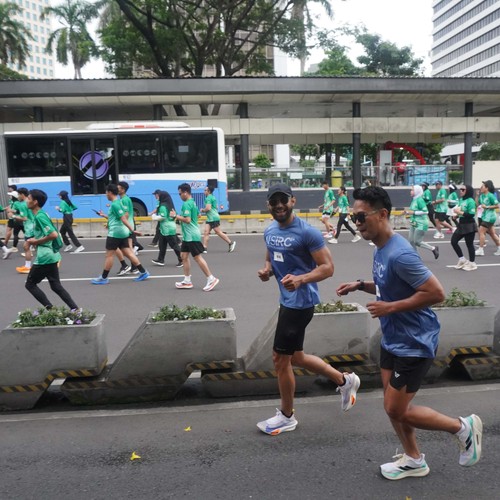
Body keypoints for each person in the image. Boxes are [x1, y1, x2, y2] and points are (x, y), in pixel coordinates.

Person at [335, 185, 482, 480]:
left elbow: (436, 293)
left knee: (396, 408)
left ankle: (462, 427)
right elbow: (390, 285)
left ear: (382, 214)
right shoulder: (381, 249)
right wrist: (361, 285)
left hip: (414, 341)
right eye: (354, 217)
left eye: (361, 217)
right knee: (392, 407)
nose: (357, 223)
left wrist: (390, 308)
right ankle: (414, 459)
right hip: (393, 338)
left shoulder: (401, 253)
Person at [256, 183, 360, 435]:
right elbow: (271, 256)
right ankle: (344, 380)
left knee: (280, 359)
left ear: (292, 201)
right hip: (286, 301)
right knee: (297, 358)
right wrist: (267, 270)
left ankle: (287, 416)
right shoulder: (270, 230)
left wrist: (301, 279)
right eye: (274, 202)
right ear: (268, 205)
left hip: (301, 303)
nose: (279, 205)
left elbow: (328, 267)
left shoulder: (307, 232)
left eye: (283, 200)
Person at [24, 189, 79, 311]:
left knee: (30, 284)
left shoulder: (40, 216)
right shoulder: (42, 214)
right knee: (55, 286)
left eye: (29, 198)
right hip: (52, 255)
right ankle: (76, 310)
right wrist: (34, 240)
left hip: (45, 256)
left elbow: (53, 234)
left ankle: (52, 311)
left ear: (35, 202)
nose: (26, 201)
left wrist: (35, 242)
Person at [91, 184, 150, 284]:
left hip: (115, 233)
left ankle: (104, 278)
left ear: (110, 192)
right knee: (128, 253)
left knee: (109, 255)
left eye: (106, 192)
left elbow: (123, 218)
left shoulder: (115, 204)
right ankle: (143, 272)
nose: (106, 195)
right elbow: (117, 217)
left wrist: (132, 230)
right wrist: (105, 217)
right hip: (122, 233)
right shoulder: (118, 202)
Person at [172, 183, 219, 291]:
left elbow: (187, 220)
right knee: (183, 256)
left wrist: (176, 216)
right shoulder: (192, 202)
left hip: (191, 235)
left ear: (185, 192)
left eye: (180, 193)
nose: (179, 196)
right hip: (188, 235)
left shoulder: (187, 204)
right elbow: (198, 215)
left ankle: (211, 279)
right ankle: (187, 281)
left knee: (197, 257)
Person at [405, 185, 439, 259]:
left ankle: (433, 248)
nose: (410, 191)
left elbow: (426, 211)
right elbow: (413, 211)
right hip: (414, 222)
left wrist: (413, 213)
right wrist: (408, 213)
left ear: (417, 191)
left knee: (417, 241)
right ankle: (415, 257)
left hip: (421, 223)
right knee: (411, 240)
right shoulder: (414, 199)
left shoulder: (420, 200)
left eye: (412, 190)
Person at [151, 190, 183, 267]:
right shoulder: (169, 204)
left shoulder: (163, 206)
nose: (158, 197)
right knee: (162, 245)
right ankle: (160, 259)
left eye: (159, 196)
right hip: (166, 228)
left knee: (174, 245)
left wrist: (154, 217)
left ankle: (182, 259)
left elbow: (163, 217)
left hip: (167, 228)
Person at [201, 185, 236, 253]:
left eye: (205, 190)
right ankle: (204, 248)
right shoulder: (212, 197)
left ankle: (230, 243)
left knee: (218, 232)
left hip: (213, 218)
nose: (204, 191)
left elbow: (208, 208)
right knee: (206, 232)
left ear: (209, 191)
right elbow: (216, 207)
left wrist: (202, 210)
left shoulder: (208, 198)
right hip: (210, 218)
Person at [451, 185, 478, 271]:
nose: (461, 191)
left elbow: (471, 214)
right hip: (461, 224)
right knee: (453, 241)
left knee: (469, 244)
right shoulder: (461, 200)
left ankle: (472, 263)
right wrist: (456, 215)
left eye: (463, 189)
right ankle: (462, 259)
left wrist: (459, 212)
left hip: (469, 225)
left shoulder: (471, 201)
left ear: (468, 191)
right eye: (460, 189)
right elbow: (461, 211)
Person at [13, 188, 36, 274]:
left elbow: (24, 218)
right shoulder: (30, 202)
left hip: (30, 228)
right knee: (31, 246)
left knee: (27, 246)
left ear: (22, 194)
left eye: (18, 194)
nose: (18, 196)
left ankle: (28, 266)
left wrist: (13, 216)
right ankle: (28, 266)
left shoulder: (23, 204)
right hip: (34, 226)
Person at [476, 180, 500, 256]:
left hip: (490, 217)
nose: (481, 187)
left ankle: (481, 249)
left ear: (487, 188)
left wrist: (487, 207)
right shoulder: (482, 196)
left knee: (481, 231)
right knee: (492, 234)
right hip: (485, 216)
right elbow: (478, 204)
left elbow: (497, 205)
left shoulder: (490, 196)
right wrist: (477, 195)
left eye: (483, 186)